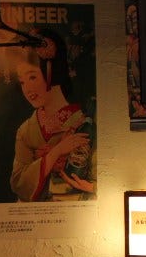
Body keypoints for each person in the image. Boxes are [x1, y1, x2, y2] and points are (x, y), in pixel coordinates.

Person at [9, 29, 96, 201]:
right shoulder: (25, 130)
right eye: (22, 82)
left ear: (51, 72)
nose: (27, 89)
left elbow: (99, 179)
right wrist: (56, 152)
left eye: (32, 77)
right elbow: (18, 183)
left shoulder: (84, 122)